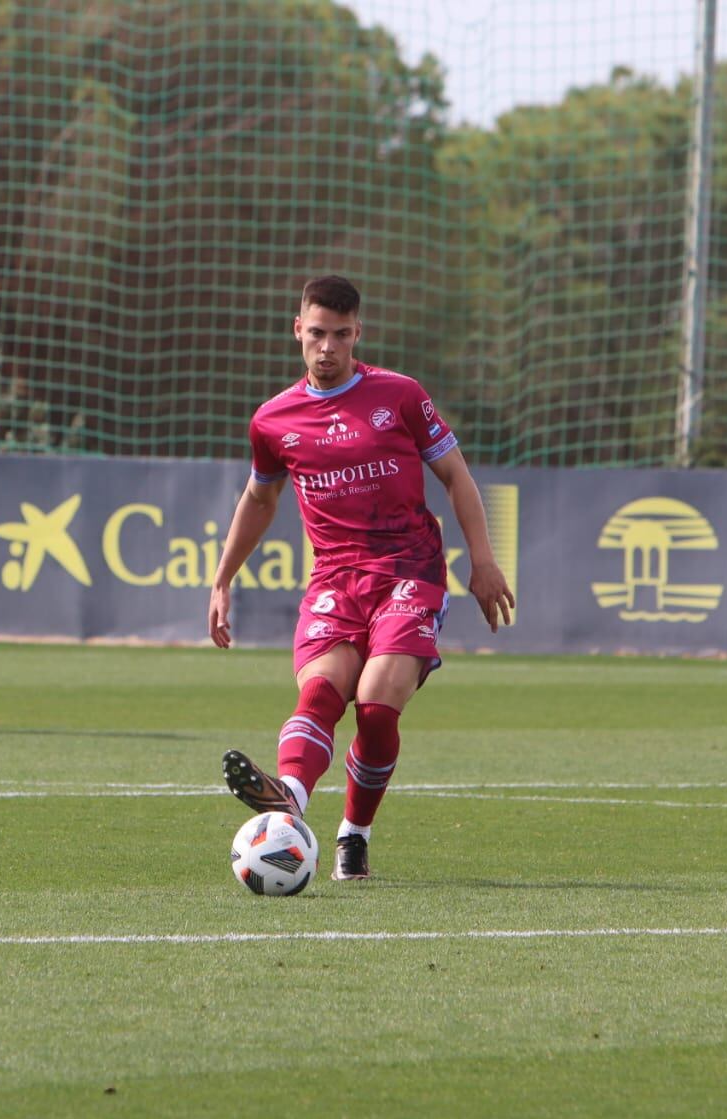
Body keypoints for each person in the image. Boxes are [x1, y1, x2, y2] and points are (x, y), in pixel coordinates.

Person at [208, 275, 514, 879]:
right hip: (335, 579)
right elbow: (259, 500)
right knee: (321, 693)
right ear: (298, 329)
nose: (328, 348)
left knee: (374, 707)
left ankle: (354, 832)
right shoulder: (273, 420)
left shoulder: (399, 396)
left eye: (341, 336)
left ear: (358, 334)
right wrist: (222, 581)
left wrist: (482, 560)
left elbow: (455, 476)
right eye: (317, 333)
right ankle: (289, 802)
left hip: (409, 571)